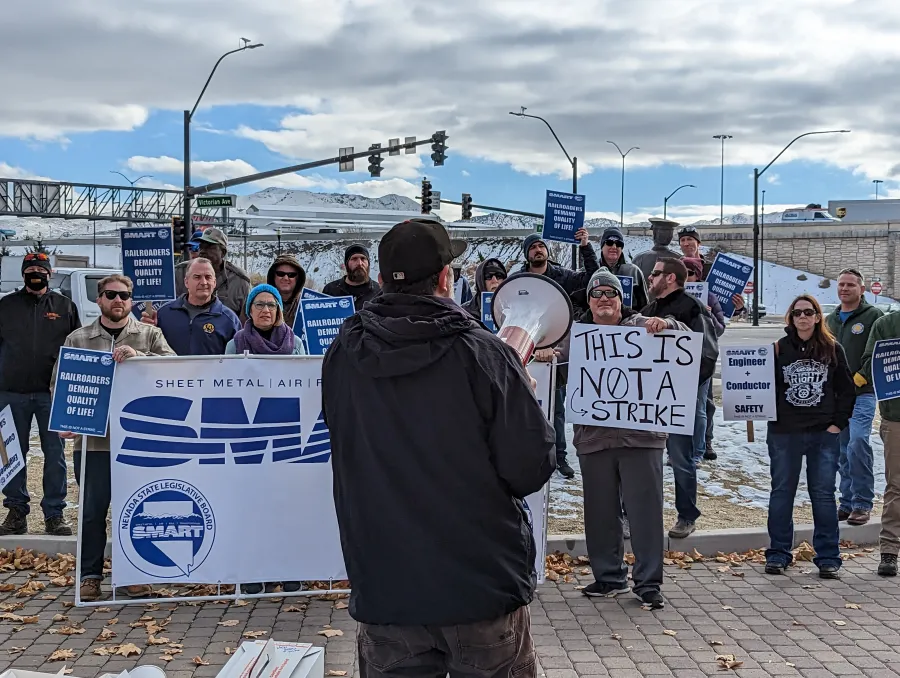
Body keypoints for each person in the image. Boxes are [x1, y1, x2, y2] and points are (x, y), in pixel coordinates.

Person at [323, 219, 555, 678]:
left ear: (384, 278)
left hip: (386, 584)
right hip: (480, 586)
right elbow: (529, 467)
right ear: (446, 278)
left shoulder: (344, 352)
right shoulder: (483, 354)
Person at [555, 270, 688, 610]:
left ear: (620, 299)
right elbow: (559, 369)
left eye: (610, 293)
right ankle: (609, 576)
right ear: (588, 301)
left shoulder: (643, 324)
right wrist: (548, 358)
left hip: (641, 437)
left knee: (645, 512)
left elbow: (686, 337)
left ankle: (648, 582)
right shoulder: (577, 337)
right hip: (594, 438)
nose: (604, 298)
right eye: (597, 293)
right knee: (600, 512)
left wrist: (668, 326)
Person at [54, 275, 175, 601]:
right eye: (111, 294)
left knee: (135, 510)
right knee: (92, 512)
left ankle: (132, 576)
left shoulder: (150, 335)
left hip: (138, 442)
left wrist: (141, 357)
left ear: (132, 300)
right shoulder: (78, 339)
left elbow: (175, 369)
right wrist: (65, 420)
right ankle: (90, 577)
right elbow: (61, 386)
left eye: (125, 295)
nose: (118, 300)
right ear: (99, 299)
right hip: (94, 444)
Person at [765, 295, 855, 580]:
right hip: (785, 433)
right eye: (797, 312)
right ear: (790, 318)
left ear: (818, 317)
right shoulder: (778, 350)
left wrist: (837, 424)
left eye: (809, 312)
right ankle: (779, 553)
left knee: (823, 496)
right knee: (782, 493)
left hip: (822, 433)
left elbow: (847, 390)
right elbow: (760, 388)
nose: (803, 317)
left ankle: (828, 557)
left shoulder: (832, 349)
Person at [225, 284, 304, 595]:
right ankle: (253, 571)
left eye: (271, 304)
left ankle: (288, 570)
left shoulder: (294, 343)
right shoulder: (235, 345)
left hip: (285, 435)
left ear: (279, 311)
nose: (265, 310)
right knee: (251, 506)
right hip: (249, 436)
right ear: (249, 309)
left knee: (284, 505)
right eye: (259, 304)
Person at [0, 253, 80, 537]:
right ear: (23, 274)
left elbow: (75, 348)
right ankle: (16, 511)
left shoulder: (65, 306)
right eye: (31, 269)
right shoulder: (5, 306)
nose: (36, 273)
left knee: (55, 454)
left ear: (50, 273)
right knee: (11, 454)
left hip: (52, 394)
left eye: (41, 269)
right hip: (10, 393)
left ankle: (55, 514)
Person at [642, 258, 718, 538]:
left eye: (655, 273)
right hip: (649, 398)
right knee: (643, 459)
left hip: (676, 398)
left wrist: (684, 388)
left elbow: (707, 352)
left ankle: (687, 515)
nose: (650, 278)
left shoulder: (692, 307)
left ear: (671, 278)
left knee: (680, 458)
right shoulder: (649, 309)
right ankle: (636, 515)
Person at [521, 229, 598, 479]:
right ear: (527, 254)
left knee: (557, 407)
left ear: (547, 252)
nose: (538, 250)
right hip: (527, 351)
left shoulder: (561, 276)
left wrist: (586, 247)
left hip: (555, 351)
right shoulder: (519, 280)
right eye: (532, 247)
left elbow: (591, 279)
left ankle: (559, 457)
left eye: (541, 246)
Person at [825, 268, 882, 526]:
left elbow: (880, 352)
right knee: (841, 450)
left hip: (862, 393)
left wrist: (861, 376)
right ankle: (846, 503)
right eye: (841, 284)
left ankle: (862, 502)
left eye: (850, 285)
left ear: (862, 289)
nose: (845, 289)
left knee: (858, 443)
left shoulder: (873, 317)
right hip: (837, 397)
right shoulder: (830, 320)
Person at [858, 311, 900, 576]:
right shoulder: (886, 324)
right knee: (896, 486)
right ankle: (890, 551)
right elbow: (870, 364)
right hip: (896, 417)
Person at [143, 258, 241, 356]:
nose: (203, 282)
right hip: (172, 371)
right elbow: (148, 350)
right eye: (197, 277)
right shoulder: (164, 314)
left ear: (214, 282)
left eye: (208, 277)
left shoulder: (229, 319)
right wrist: (146, 330)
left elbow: (237, 359)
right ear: (186, 282)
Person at [683, 257, 725, 462]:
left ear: (697, 276)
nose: (687, 277)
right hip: (676, 359)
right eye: (683, 273)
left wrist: (708, 316)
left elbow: (719, 329)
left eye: (690, 273)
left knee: (699, 407)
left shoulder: (709, 297)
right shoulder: (672, 297)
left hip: (701, 359)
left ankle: (698, 450)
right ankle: (677, 452)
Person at [174, 227, 250, 318]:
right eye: (201, 246)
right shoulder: (180, 272)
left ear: (223, 253)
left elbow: (245, 321)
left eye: (209, 247)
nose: (202, 251)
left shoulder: (239, 281)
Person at [597, 227, 649, 311]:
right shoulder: (590, 271)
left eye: (618, 244)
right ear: (602, 246)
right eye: (609, 243)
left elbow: (645, 307)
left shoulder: (633, 271)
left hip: (628, 322)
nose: (614, 247)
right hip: (596, 322)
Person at [322, 244, 381, 308]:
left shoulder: (379, 291)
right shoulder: (330, 290)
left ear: (368, 263)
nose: (359, 263)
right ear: (346, 264)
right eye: (354, 259)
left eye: (363, 258)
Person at [267, 254, 307, 329]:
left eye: (291, 275)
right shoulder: (258, 301)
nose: (285, 278)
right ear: (273, 276)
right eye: (280, 274)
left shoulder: (307, 305)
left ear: (298, 279)